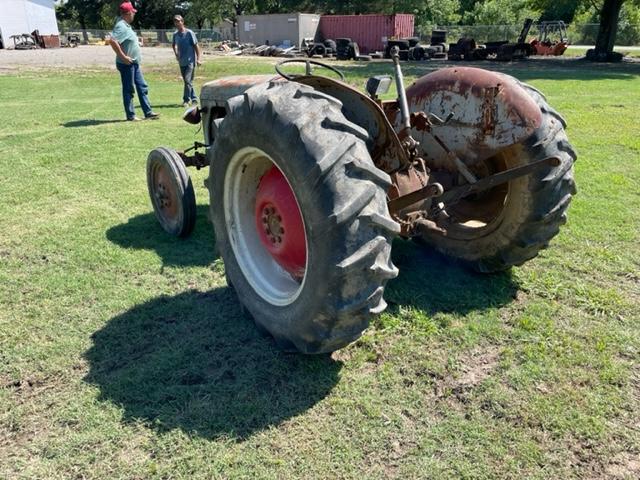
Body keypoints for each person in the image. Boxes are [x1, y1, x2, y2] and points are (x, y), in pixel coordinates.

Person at [108, 2, 159, 121]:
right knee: (129, 89)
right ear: (128, 13)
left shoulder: (126, 25)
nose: (134, 15)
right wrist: (123, 57)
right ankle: (130, 115)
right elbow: (112, 41)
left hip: (134, 63)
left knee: (142, 86)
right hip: (126, 64)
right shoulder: (121, 25)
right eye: (133, 13)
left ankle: (148, 112)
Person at [172, 15, 202, 107]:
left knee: (187, 80)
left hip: (190, 61)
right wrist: (176, 54)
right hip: (182, 62)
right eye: (175, 22)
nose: (177, 23)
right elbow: (173, 45)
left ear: (182, 22)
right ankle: (194, 99)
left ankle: (186, 100)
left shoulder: (189, 33)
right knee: (187, 82)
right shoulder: (175, 35)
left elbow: (196, 46)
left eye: (179, 21)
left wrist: (199, 59)